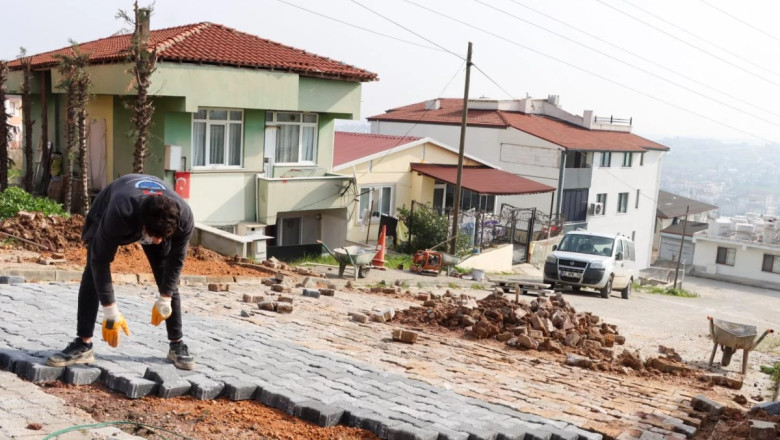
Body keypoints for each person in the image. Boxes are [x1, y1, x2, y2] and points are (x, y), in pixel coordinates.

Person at [46, 174, 196, 370]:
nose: (158, 242)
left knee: (166, 276)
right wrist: (110, 311)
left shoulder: (183, 217)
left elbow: (176, 261)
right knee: (91, 272)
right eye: (154, 236)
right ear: (142, 226)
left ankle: (177, 344)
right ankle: (83, 344)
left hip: (153, 218)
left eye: (163, 237)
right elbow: (100, 261)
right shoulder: (119, 213)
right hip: (111, 206)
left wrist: (165, 297)